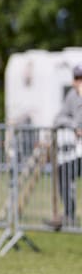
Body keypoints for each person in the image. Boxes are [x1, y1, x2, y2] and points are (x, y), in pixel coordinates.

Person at [47, 64, 82, 229]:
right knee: (64, 173)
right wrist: (74, 125)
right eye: (76, 78)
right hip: (79, 151)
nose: (78, 82)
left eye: (81, 78)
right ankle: (69, 215)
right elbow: (59, 118)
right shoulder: (72, 96)